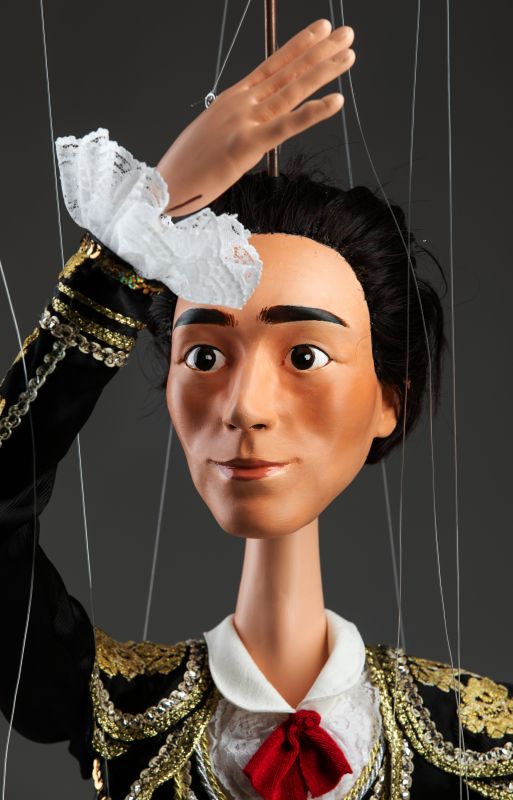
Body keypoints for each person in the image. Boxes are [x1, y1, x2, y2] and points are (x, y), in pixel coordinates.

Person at [1, 17, 512, 800]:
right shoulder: (118, 711)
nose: (245, 406)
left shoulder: (481, 740)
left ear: (386, 401)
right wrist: (132, 241)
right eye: (205, 357)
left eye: (304, 356)